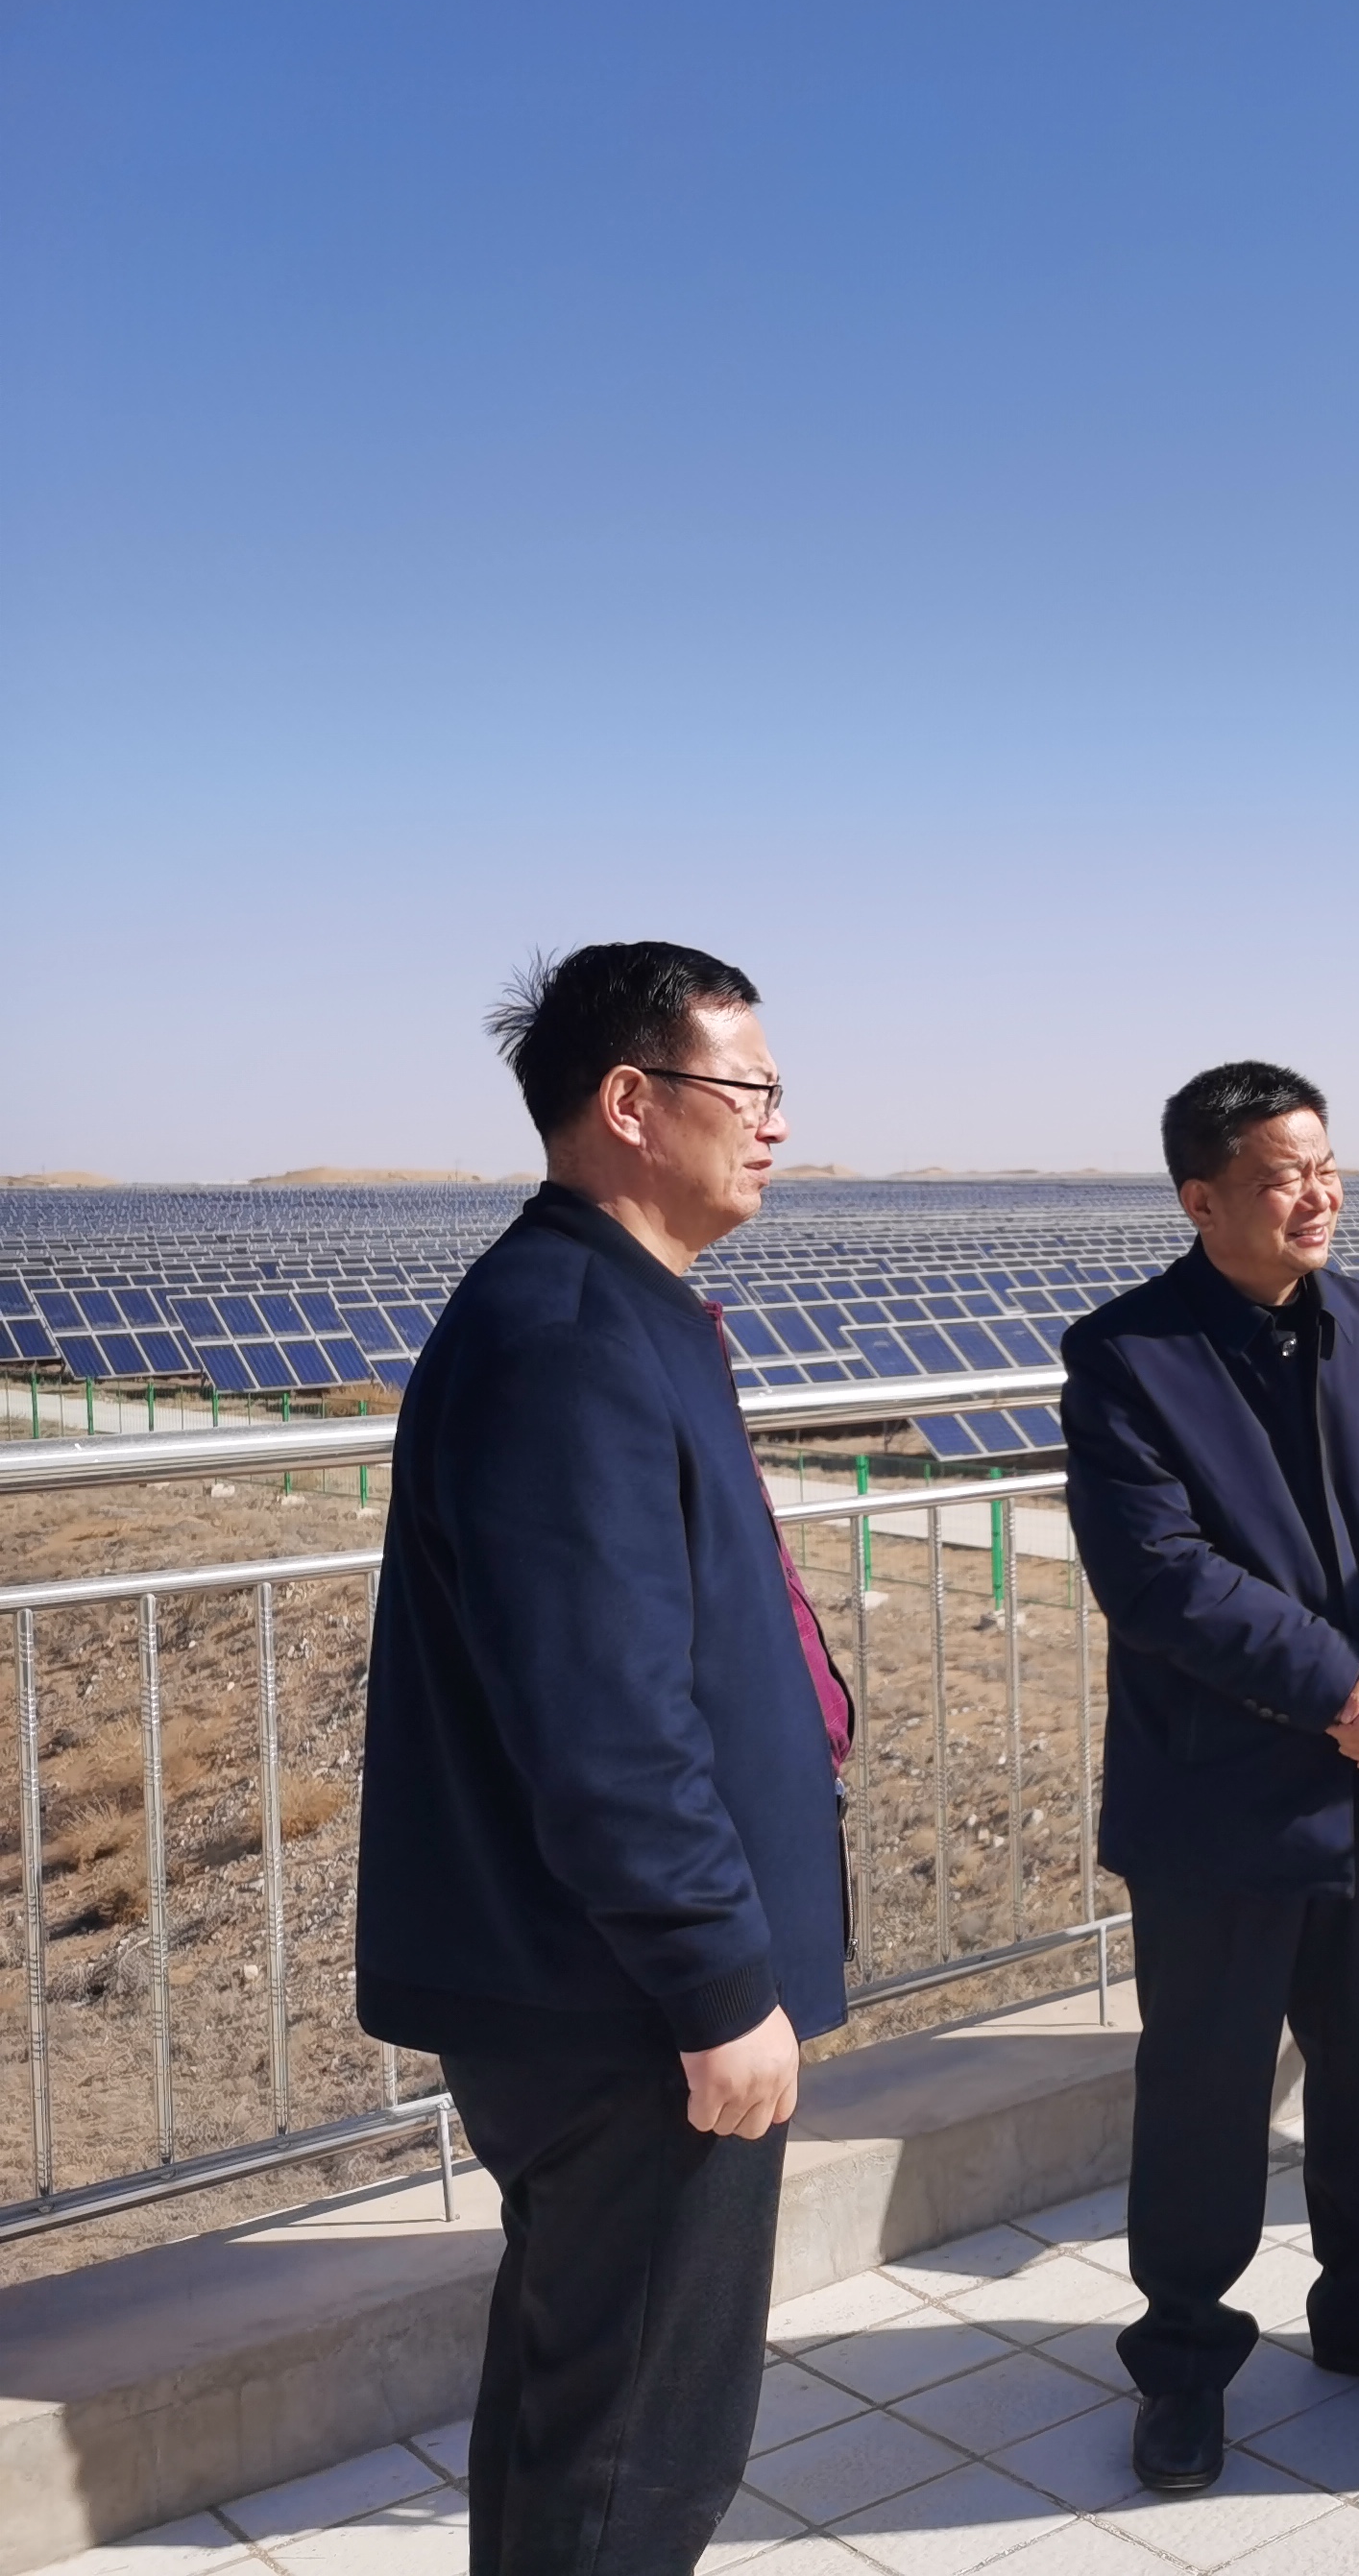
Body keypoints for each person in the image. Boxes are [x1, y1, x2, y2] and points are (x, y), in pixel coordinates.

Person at [359, 942, 850, 2576]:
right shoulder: (571, 1333)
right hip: (624, 2008)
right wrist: (717, 1985)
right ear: (632, 1102)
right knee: (641, 2455)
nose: (778, 1122)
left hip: (604, 1987)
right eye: (749, 1087)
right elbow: (605, 1723)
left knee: (583, 2410)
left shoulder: (611, 1308)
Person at [1061, 1061, 1359, 2495]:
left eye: (1326, 1165)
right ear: (1201, 1199)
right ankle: (1184, 2358)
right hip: (1221, 1793)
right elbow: (1160, 1577)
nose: (1318, 1194)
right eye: (1281, 1174)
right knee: (1207, 2084)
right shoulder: (1129, 1356)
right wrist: (1341, 1688)